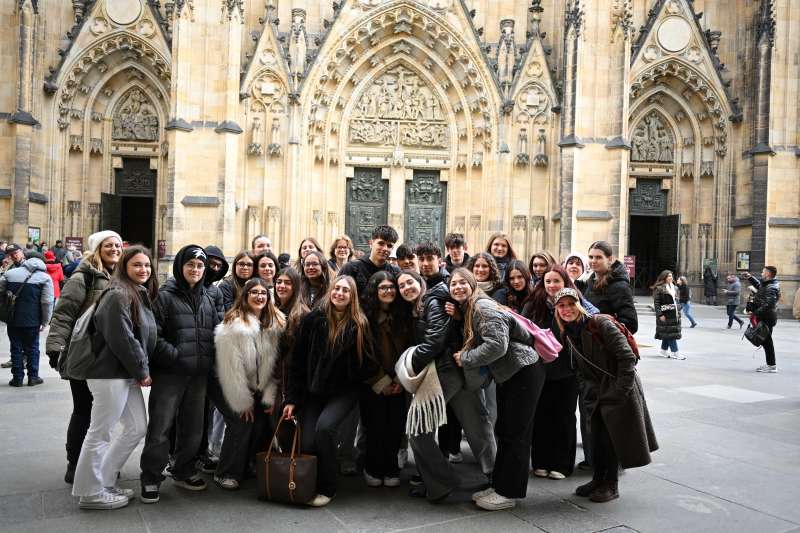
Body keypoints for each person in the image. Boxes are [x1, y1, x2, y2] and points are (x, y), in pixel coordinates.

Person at [398, 267, 496, 502]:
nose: (406, 288)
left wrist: (410, 361)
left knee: (418, 428)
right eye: (401, 286)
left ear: (421, 282)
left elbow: (435, 340)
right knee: (476, 423)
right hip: (457, 370)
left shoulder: (432, 301)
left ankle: (441, 481)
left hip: (445, 371)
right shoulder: (431, 302)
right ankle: (497, 475)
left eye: (410, 282)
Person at [71, 246, 157, 510]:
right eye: (137, 265)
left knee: (136, 427)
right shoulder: (118, 294)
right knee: (100, 432)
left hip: (123, 373)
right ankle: (89, 492)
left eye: (147, 265)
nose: (143, 270)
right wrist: (142, 370)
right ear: (124, 267)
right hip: (108, 374)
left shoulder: (134, 292)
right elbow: (123, 338)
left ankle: (105, 481)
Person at [449, 269, 542, 511]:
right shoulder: (471, 308)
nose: (457, 287)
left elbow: (497, 345)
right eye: (453, 284)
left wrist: (466, 358)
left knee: (516, 434)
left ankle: (508, 493)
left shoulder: (483, 307)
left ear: (472, 284)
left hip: (523, 371)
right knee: (505, 430)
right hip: (511, 374)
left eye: (462, 282)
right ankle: (499, 485)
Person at [553, 288, 658, 503]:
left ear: (580, 305)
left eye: (571, 304)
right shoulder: (568, 332)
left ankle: (610, 484)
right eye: (561, 306)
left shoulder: (600, 323)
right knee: (597, 437)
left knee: (611, 438)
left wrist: (619, 391)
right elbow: (579, 366)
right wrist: (586, 386)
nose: (567, 309)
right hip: (596, 390)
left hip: (619, 386)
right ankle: (598, 479)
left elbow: (627, 358)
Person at [282, 276, 377, 507]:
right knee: (307, 442)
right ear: (330, 291)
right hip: (314, 391)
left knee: (324, 429)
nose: (340, 293)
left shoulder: (359, 324)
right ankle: (309, 483)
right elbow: (298, 362)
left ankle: (328, 487)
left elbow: (368, 363)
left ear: (352, 296)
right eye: (337, 289)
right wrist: (292, 399)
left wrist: (348, 373)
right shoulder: (313, 319)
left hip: (344, 391)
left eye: (345, 290)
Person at [139, 245, 222, 503]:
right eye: (190, 265)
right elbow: (153, 335)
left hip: (198, 374)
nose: (195, 270)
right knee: (160, 427)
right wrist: (175, 356)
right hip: (170, 373)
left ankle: (183, 469)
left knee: (193, 427)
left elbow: (215, 330)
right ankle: (151, 477)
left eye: (200, 266)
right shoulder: (164, 296)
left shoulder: (208, 297)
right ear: (180, 267)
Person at [46, 230, 123, 483]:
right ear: (97, 248)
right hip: (84, 353)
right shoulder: (83, 277)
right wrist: (55, 346)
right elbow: (63, 314)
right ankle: (74, 463)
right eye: (108, 245)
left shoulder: (122, 276)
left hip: (110, 355)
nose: (114, 249)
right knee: (83, 410)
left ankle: (96, 462)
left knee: (105, 415)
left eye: (118, 245)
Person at [213, 277, 285, 489]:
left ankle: (249, 464)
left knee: (263, 419)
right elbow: (229, 369)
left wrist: (269, 396)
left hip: (258, 385)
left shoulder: (276, 323)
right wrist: (242, 402)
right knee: (242, 420)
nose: (259, 296)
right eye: (254, 292)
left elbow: (274, 365)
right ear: (245, 297)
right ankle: (226, 472)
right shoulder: (233, 325)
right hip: (226, 383)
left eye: (263, 293)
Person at [525, 266, 595, 481]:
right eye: (548, 281)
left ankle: (562, 464)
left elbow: (591, 319)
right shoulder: (534, 304)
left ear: (565, 282)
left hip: (567, 371)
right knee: (541, 416)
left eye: (556, 281)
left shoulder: (574, 302)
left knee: (564, 417)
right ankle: (541, 461)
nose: (552, 285)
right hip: (539, 370)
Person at [360, 272, 413, 488]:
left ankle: (391, 467)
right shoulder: (364, 318)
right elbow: (363, 353)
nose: (388, 291)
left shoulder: (403, 315)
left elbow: (411, 348)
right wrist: (381, 382)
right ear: (374, 290)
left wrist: (400, 380)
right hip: (373, 382)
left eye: (391, 287)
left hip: (399, 380)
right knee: (375, 426)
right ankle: (373, 467)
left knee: (395, 426)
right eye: (383, 287)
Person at [0, 252, 54, 387]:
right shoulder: (45, 278)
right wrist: (45, 321)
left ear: (26, 259)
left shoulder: (10, 274)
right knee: (33, 348)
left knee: (15, 347)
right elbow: (47, 302)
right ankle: (33, 377)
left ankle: (17, 378)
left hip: (13, 317)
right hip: (33, 319)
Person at [583, 241, 638, 334]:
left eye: (598, 257)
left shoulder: (619, 286)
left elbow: (630, 324)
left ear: (610, 259)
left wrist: (603, 334)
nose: (593, 261)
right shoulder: (589, 282)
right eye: (591, 257)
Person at [339, 225, 399, 296]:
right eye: (381, 243)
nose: (385, 249)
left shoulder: (395, 272)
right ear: (371, 243)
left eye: (389, 246)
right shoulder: (351, 268)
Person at [744, 266, 780, 373]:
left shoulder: (771, 287)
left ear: (768, 274)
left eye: (763, 272)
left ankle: (772, 365)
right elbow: (759, 286)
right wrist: (750, 277)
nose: (761, 273)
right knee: (766, 342)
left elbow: (768, 305)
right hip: (765, 316)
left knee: (767, 342)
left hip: (767, 318)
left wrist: (754, 313)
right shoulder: (768, 284)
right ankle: (770, 364)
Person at [653, 270, 684, 360]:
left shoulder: (675, 287)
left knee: (668, 332)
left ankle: (663, 350)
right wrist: (660, 315)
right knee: (671, 334)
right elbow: (657, 303)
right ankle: (675, 352)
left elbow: (677, 300)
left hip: (675, 313)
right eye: (669, 276)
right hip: (665, 314)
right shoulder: (659, 288)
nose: (671, 277)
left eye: (671, 276)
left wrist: (679, 308)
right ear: (664, 277)